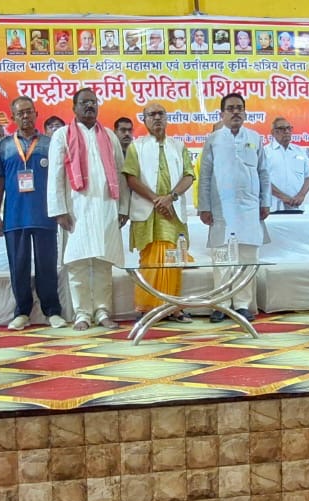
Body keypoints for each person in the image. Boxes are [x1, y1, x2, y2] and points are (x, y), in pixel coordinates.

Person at [46, 88, 128, 331]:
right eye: (84, 102)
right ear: (74, 108)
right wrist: (59, 210)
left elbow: (121, 174)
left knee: (103, 261)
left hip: (106, 207)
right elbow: (55, 175)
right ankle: (82, 313)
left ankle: (102, 311)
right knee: (78, 262)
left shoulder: (110, 136)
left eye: (93, 102)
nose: (89, 106)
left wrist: (123, 207)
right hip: (76, 209)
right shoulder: (62, 135)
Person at [0, 96, 65, 331]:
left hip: (45, 215)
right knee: (18, 267)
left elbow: (59, 179)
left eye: (29, 112)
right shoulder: (5, 145)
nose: (25, 116)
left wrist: (60, 209)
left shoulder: (49, 143)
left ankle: (52, 311)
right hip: (14, 216)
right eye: (20, 113)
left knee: (47, 266)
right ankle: (22, 312)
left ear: (36, 114)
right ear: (13, 117)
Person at [198, 92, 271, 323]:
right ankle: (220, 305)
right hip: (220, 208)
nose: (236, 112)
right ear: (222, 114)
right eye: (230, 108)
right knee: (221, 258)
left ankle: (242, 305)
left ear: (245, 113)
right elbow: (205, 175)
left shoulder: (255, 137)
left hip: (249, 207)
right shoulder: (213, 139)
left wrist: (265, 202)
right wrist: (204, 206)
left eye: (239, 108)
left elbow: (263, 172)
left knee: (247, 257)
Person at [123, 102, 195, 323]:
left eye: (160, 114)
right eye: (151, 114)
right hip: (147, 212)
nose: (156, 118)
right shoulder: (136, 147)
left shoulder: (178, 146)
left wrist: (170, 198)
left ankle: (173, 307)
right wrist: (157, 199)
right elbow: (131, 178)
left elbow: (189, 175)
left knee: (173, 259)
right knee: (150, 261)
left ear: (166, 118)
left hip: (172, 212)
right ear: (144, 119)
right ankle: (148, 308)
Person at [265, 117, 309, 213]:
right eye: (282, 129)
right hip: (273, 207)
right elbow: (262, 180)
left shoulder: (299, 151)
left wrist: (301, 195)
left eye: (289, 128)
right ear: (273, 132)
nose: (286, 131)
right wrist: (283, 197)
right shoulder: (265, 152)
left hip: (297, 207)